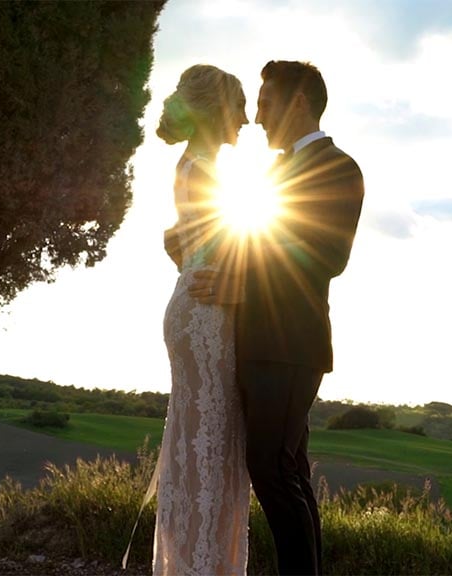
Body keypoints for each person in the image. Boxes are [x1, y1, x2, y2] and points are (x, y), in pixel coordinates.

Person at [188, 60, 365, 575]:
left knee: (270, 470)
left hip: (291, 345)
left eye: (265, 103)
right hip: (261, 341)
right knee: (287, 472)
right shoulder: (274, 174)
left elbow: (328, 256)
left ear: (299, 103)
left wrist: (241, 283)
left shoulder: (340, 169)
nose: (259, 117)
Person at [151, 64, 251, 575]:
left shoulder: (196, 165)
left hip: (196, 305)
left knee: (201, 444)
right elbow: (231, 247)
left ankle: (196, 563)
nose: (248, 118)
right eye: (239, 104)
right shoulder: (207, 171)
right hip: (207, 315)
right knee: (208, 448)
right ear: (217, 110)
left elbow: (189, 240)